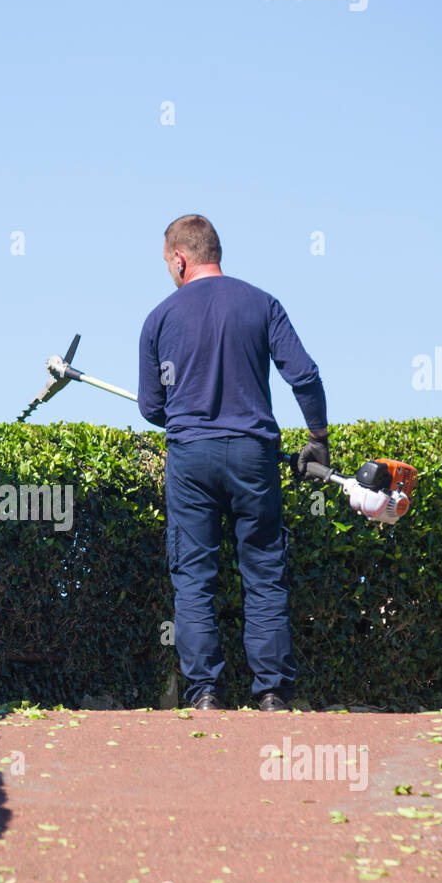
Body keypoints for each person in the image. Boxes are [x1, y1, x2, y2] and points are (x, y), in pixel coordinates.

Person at [138, 214, 329, 711]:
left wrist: (186, 412)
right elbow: (304, 376)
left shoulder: (158, 319)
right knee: (264, 571)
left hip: (191, 458)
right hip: (253, 456)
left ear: (180, 259)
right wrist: (318, 438)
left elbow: (150, 408)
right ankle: (271, 696)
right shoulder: (262, 304)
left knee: (193, 575)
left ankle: (204, 694)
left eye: (167, 263)